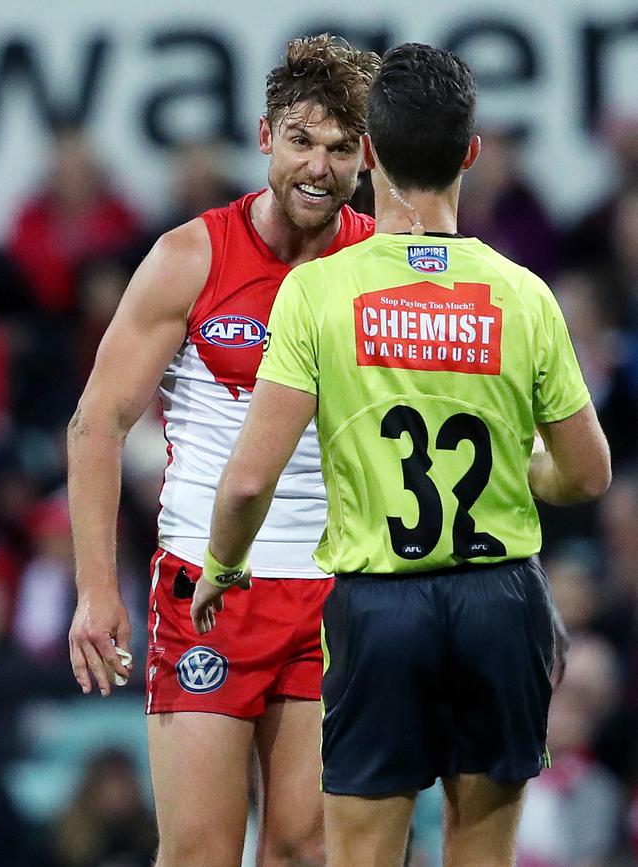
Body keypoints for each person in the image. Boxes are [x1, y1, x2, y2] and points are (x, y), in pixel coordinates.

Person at [190, 43, 612, 867]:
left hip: (379, 610)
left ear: (369, 153)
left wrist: (220, 565)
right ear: (471, 155)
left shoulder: (321, 291)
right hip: (500, 602)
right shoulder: (523, 292)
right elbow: (589, 472)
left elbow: (247, 479)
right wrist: (519, 469)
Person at [67, 34, 379, 867]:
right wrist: (97, 591)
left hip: (336, 591)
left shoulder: (377, 268)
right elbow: (96, 423)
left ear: (366, 156)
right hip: (207, 589)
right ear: (265, 136)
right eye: (302, 141)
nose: (319, 166)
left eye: (341, 148)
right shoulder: (190, 257)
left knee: (305, 849)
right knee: (202, 851)